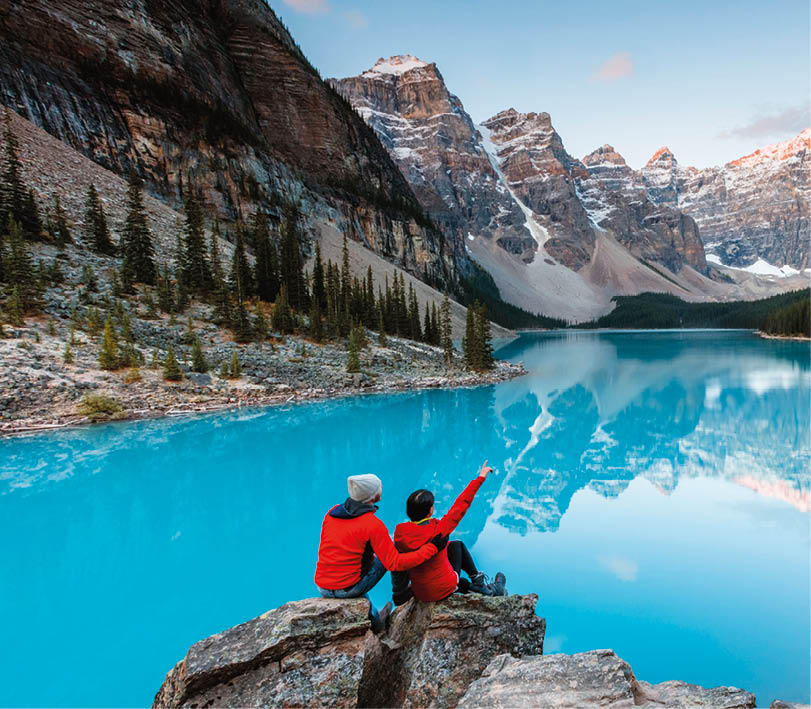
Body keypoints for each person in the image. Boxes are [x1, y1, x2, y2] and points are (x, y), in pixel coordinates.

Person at [314, 472, 447, 632]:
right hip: (348, 589)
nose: (381, 488)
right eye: (379, 487)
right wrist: (431, 548)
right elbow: (394, 563)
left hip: (323, 585)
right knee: (395, 549)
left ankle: (376, 621)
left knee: (361, 574)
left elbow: (344, 545)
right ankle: (400, 593)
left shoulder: (332, 513)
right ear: (372, 495)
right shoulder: (372, 524)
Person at [392, 460, 506, 603]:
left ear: (409, 511)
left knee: (450, 555)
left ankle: (475, 586)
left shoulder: (400, 534)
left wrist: (399, 591)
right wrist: (480, 478)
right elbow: (461, 504)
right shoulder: (438, 529)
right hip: (444, 588)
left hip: (421, 593)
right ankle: (481, 584)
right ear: (430, 511)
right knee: (457, 545)